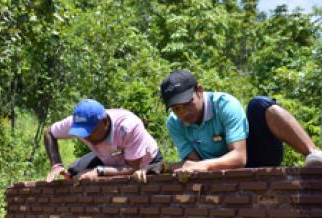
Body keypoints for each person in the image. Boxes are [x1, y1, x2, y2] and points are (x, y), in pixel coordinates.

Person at [159, 69, 322, 172]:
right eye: (176, 109)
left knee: (259, 105)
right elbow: (193, 164)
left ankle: (314, 156)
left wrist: (204, 165)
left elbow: (239, 158)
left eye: (187, 104)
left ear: (200, 91)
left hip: (256, 156)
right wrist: (162, 167)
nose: (183, 113)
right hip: (222, 172)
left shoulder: (225, 105)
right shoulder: (174, 123)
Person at [44, 99, 162, 182]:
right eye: (82, 133)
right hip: (108, 157)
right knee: (74, 173)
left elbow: (133, 168)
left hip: (142, 162)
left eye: (90, 132)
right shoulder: (77, 122)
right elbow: (49, 133)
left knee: (132, 184)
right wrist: (56, 164)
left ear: (105, 122)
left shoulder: (128, 127)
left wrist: (100, 171)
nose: (86, 138)